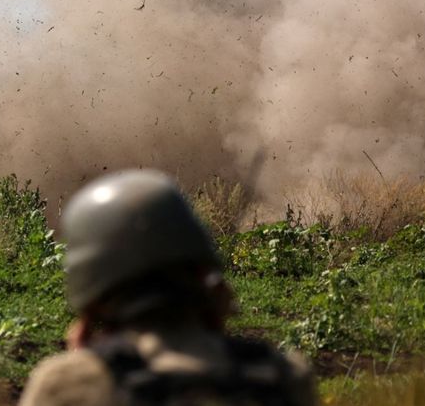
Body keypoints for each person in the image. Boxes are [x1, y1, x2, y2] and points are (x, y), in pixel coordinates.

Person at [19, 169, 316, 406]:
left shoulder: (64, 386)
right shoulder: (285, 376)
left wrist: (81, 367)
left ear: (94, 296)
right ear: (206, 279)